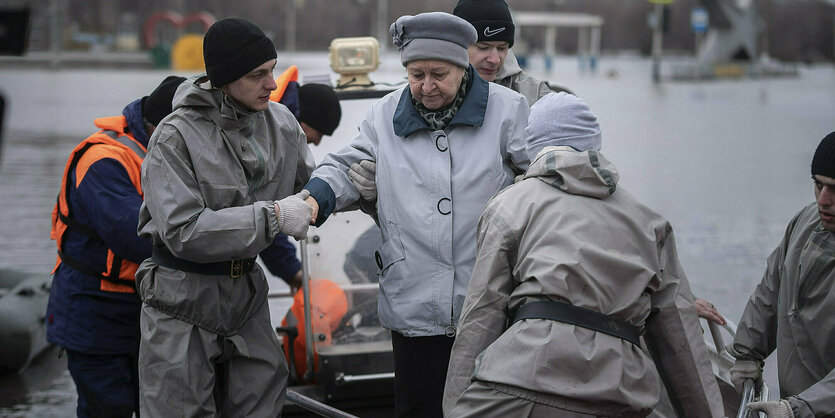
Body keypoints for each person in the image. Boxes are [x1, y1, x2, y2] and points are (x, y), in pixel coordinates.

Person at [297, 12, 531, 417]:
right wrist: (311, 201)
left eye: (438, 73)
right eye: (415, 74)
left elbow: (540, 177)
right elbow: (342, 166)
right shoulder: (385, 114)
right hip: (414, 308)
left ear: (462, 66)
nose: (426, 86)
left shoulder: (509, 111)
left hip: (489, 304)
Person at [443, 92, 724, 417]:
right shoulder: (649, 221)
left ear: (533, 146)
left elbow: (481, 316)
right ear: (594, 145)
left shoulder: (510, 206)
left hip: (523, 380)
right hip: (620, 392)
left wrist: (456, 405)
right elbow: (680, 340)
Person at [134, 17, 315, 416]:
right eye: (258, 75)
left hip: (247, 295)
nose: (272, 83)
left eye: (272, 70)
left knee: (263, 404)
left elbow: (313, 184)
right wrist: (273, 217)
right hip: (181, 300)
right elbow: (184, 230)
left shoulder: (281, 123)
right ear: (224, 80)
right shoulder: (173, 138)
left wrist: (358, 180)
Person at [46, 75, 185, 418]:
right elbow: (133, 236)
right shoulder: (103, 160)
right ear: (163, 130)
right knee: (108, 408)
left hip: (146, 310)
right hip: (95, 312)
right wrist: (209, 243)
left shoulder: (168, 157)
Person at [730, 131, 835, 418]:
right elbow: (771, 290)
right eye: (818, 185)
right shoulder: (804, 222)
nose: (824, 200)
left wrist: (798, 409)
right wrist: (748, 353)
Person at [262, 74, 342, 290]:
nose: (317, 142)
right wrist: (294, 272)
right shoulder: (271, 136)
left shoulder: (270, 122)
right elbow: (268, 213)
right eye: (318, 133)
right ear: (301, 121)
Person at [452, 0, 552, 106]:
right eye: (483, 48)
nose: (495, 60)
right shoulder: (434, 90)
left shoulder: (536, 97)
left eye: (502, 48)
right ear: (458, 45)